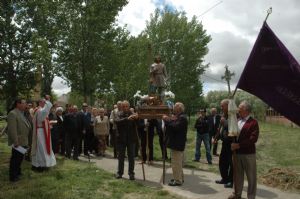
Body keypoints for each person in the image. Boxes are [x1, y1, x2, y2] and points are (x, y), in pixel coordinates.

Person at [228, 101, 259, 199]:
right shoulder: (237, 120)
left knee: (251, 177)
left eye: (240, 107)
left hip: (248, 154)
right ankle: (237, 194)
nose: (238, 109)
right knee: (237, 175)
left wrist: (239, 145)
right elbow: (233, 134)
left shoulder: (253, 122)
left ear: (246, 110)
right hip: (237, 154)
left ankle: (251, 196)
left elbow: (253, 139)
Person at [162, 102, 188, 186]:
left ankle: (177, 181)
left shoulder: (182, 118)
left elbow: (175, 127)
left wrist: (167, 120)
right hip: (176, 143)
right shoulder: (180, 117)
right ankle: (179, 178)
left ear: (179, 109)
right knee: (177, 163)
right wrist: (170, 120)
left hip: (177, 144)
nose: (173, 108)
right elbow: (173, 124)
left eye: (175, 107)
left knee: (176, 163)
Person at [7, 98, 31, 182]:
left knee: (20, 158)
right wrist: (15, 141)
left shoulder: (21, 113)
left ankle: (18, 172)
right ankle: (13, 176)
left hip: (23, 140)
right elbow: (12, 129)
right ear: (18, 104)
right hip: (18, 141)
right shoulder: (13, 113)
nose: (26, 105)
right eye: (24, 103)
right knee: (15, 159)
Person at [31, 95, 56, 171]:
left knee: (44, 148)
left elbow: (44, 119)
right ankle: (40, 165)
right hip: (41, 132)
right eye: (44, 102)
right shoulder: (39, 110)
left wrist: (49, 123)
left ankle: (44, 164)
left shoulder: (40, 110)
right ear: (40, 103)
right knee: (41, 149)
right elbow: (46, 110)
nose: (45, 103)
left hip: (43, 131)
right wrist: (48, 100)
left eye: (45, 102)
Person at [115, 101, 138, 180]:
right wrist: (127, 119)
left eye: (126, 106)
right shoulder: (119, 114)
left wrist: (138, 118)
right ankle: (119, 173)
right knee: (121, 157)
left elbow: (138, 124)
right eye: (123, 106)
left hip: (131, 139)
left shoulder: (133, 114)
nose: (125, 108)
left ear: (129, 106)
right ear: (121, 107)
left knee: (131, 157)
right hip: (121, 139)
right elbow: (117, 121)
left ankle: (131, 173)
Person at [214, 99, 233, 188]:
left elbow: (233, 127)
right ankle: (224, 178)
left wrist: (224, 121)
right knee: (222, 162)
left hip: (231, 143)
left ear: (228, 105)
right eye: (221, 106)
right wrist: (216, 138)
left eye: (222, 106)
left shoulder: (233, 115)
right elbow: (220, 128)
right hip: (224, 143)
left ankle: (230, 181)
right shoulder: (224, 115)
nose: (221, 108)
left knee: (231, 163)